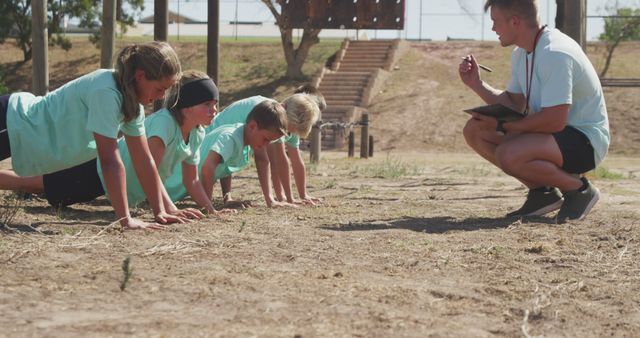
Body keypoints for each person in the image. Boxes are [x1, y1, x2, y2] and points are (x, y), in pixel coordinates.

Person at [0, 41, 195, 230]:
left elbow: (144, 160)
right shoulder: (106, 91)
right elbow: (110, 160)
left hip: (23, 132)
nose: (162, 96)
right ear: (140, 76)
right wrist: (125, 220)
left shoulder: (133, 105)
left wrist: (163, 209)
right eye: (160, 89)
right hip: (14, 121)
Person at [459, 0, 609, 223]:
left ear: (515, 22)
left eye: (495, 22)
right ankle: (543, 194)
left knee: (508, 153)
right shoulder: (522, 53)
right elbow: (514, 104)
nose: (493, 29)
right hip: (555, 136)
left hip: (585, 142)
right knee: (475, 130)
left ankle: (579, 191)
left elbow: (554, 121)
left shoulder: (555, 52)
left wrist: (502, 126)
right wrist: (476, 84)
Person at [163, 100, 288, 209]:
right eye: (266, 139)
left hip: (178, 188)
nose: (266, 145)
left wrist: (227, 198)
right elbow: (207, 168)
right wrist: (209, 206)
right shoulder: (230, 137)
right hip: (170, 187)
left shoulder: (242, 137)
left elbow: (225, 167)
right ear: (252, 126)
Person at [205, 93, 320, 208]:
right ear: (283, 108)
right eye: (287, 130)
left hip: (224, 155)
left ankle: (226, 198)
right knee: (228, 154)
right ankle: (220, 198)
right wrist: (275, 199)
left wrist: (302, 195)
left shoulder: (287, 119)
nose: (287, 134)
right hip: (207, 142)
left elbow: (295, 159)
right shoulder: (267, 114)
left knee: (231, 155)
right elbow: (268, 160)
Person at [267, 85, 325, 205]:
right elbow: (278, 162)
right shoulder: (279, 122)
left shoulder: (293, 125)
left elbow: (297, 161)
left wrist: (303, 195)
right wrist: (284, 197)